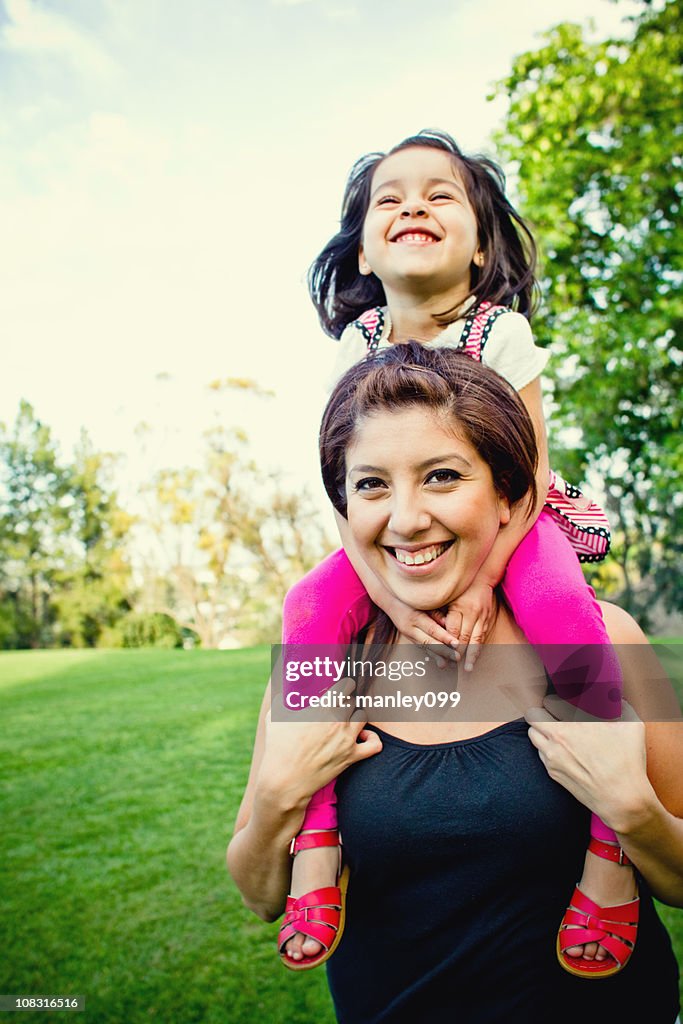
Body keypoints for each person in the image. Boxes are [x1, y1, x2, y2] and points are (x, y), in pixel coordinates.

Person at [227, 346, 682, 1023]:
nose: (405, 518)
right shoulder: (320, 668)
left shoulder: (604, 641)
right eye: (371, 485)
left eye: (441, 476)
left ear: (505, 493)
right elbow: (264, 897)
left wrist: (632, 811)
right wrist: (275, 796)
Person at [281, 129, 629, 974]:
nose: (412, 206)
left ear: (478, 249)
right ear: (364, 248)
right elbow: (343, 484)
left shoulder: (498, 332)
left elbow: (531, 474)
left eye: (441, 195)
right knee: (306, 609)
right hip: (393, 541)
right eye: (388, 198)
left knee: (562, 612)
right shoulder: (353, 345)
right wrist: (392, 598)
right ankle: (316, 822)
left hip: (512, 523)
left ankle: (612, 837)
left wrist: (479, 582)